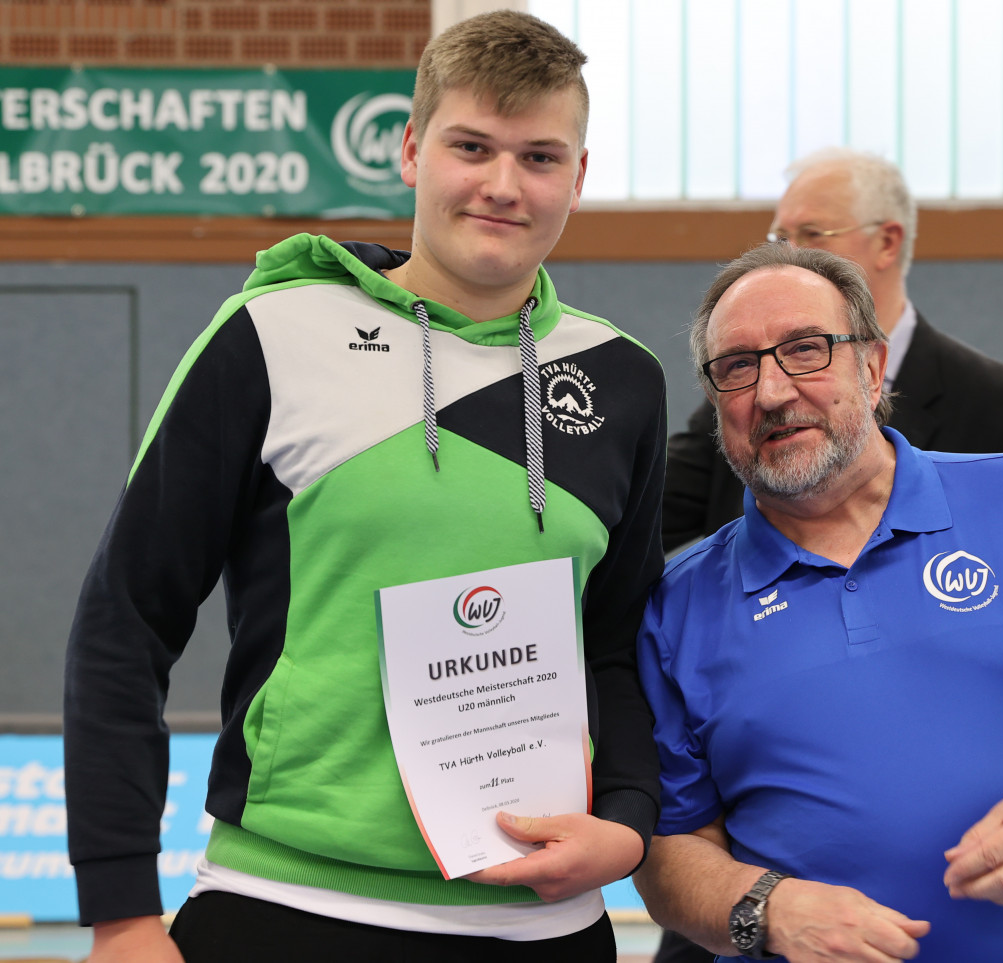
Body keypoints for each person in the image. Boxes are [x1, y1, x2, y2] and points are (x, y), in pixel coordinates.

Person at [64, 11, 667, 963]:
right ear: (412, 150)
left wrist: (628, 821)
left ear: (579, 177)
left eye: (540, 157)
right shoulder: (272, 334)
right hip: (283, 907)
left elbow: (620, 644)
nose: (504, 184)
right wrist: (122, 911)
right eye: (472, 147)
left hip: (543, 924)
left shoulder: (622, 379)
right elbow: (125, 619)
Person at [635, 243, 1003, 962]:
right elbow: (671, 848)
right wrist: (767, 909)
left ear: (873, 369)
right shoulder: (678, 607)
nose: (771, 391)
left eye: (805, 350)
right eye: (737, 367)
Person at [662, 147, 1003, 552]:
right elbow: (646, 515)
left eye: (812, 234)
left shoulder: (1001, 405)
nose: (790, 254)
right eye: (780, 238)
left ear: (887, 242)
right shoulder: (750, 396)